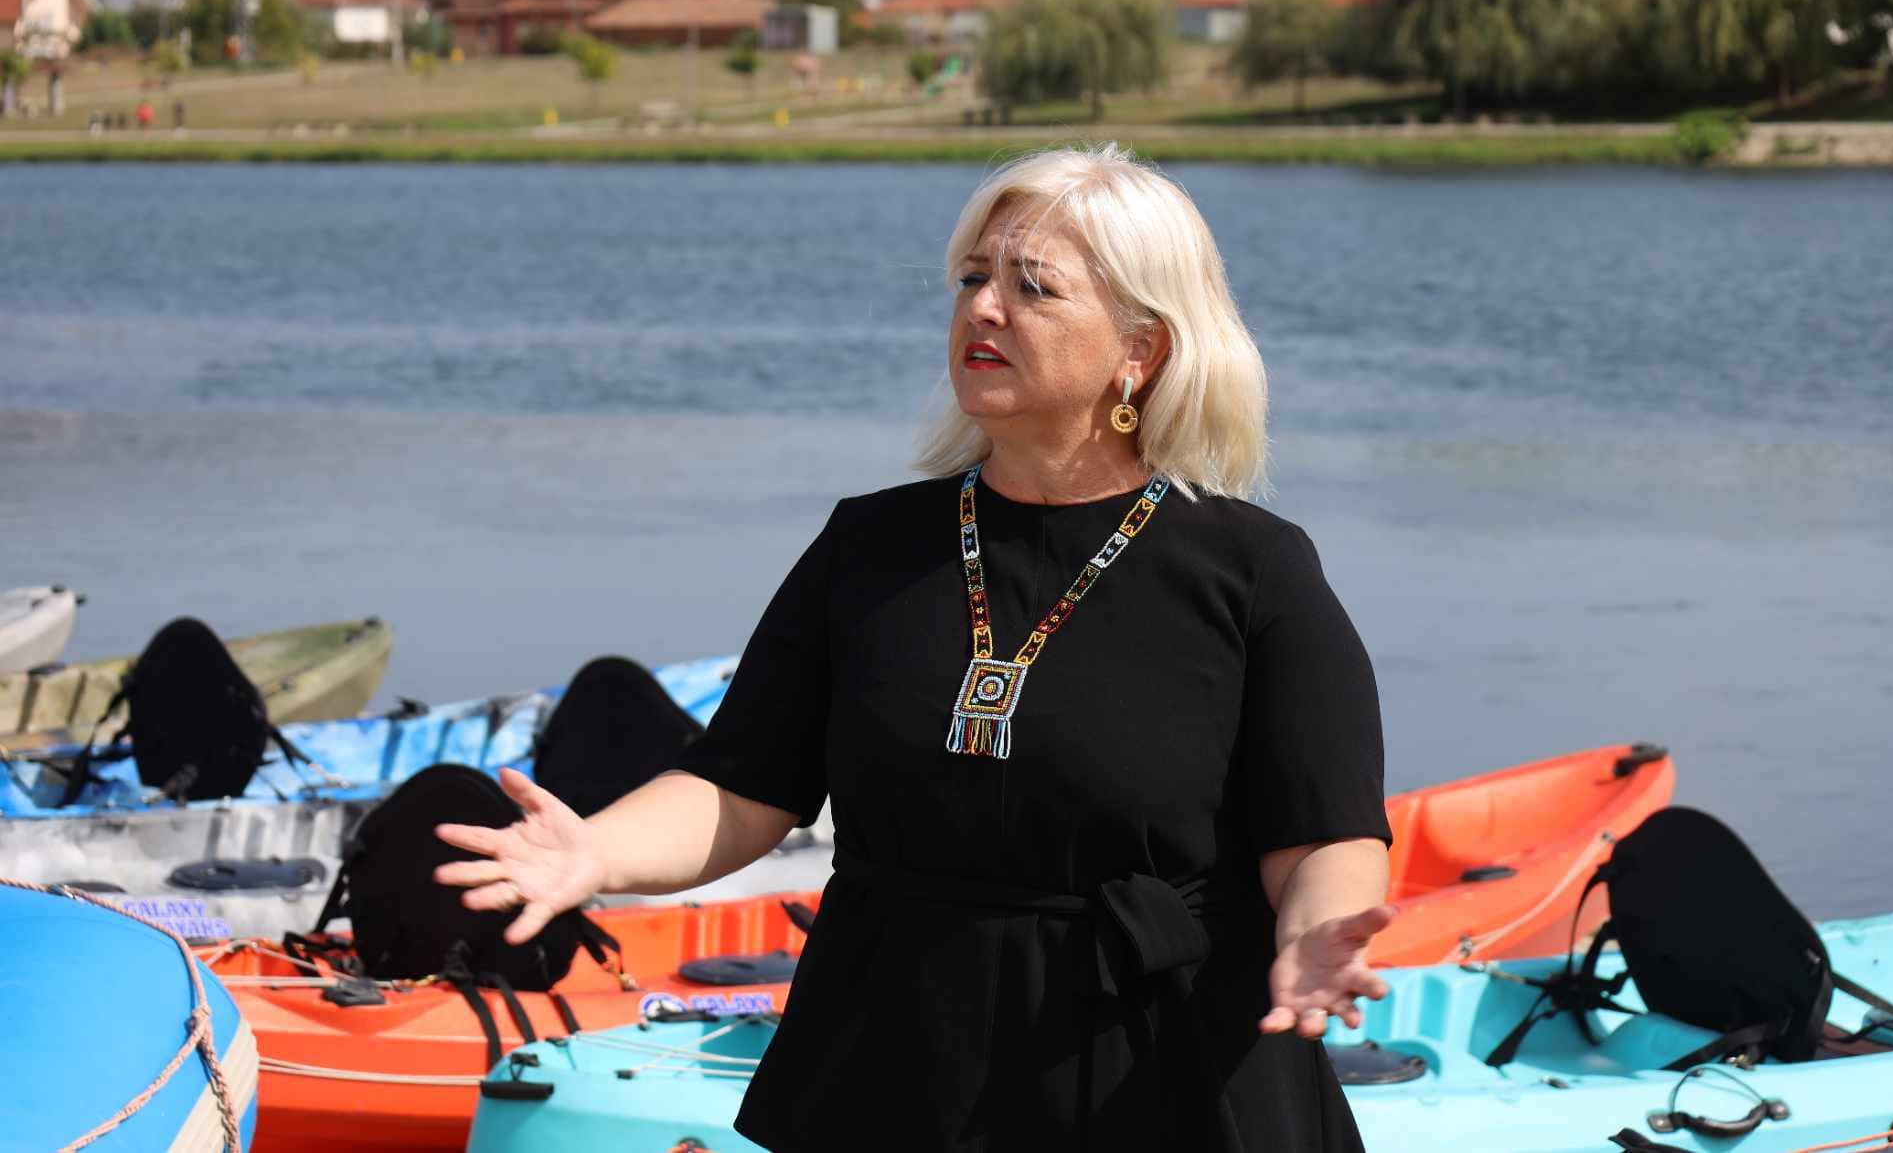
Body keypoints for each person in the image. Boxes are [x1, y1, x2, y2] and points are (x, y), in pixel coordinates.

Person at [436, 144, 1393, 1151]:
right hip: (895, 1060)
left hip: (1160, 1067)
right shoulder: (870, 546)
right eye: (973, 278)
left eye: (1032, 287)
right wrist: (596, 850)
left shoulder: (1251, 569)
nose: (984, 308)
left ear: (1139, 350)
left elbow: (1323, 831)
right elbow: (740, 788)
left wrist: (1316, 933)